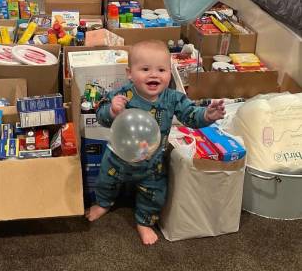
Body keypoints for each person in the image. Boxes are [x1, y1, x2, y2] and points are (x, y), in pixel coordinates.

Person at [85, 40, 225, 245]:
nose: (154, 74)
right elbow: (101, 116)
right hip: (118, 159)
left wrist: (207, 115)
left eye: (161, 69)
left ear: (170, 72)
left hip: (152, 165)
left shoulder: (173, 99)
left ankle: (144, 222)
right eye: (145, 69)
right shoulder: (123, 95)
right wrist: (113, 111)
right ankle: (104, 203)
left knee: (155, 195)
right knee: (106, 181)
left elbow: (190, 116)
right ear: (130, 73)